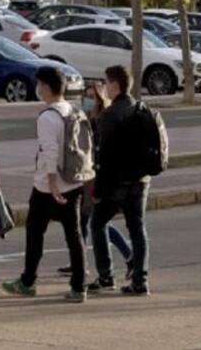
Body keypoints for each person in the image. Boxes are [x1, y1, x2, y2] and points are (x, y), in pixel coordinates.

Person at [1, 66, 88, 302]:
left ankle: (28, 281)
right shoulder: (72, 110)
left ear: (47, 87)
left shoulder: (48, 117)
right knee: (74, 235)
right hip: (74, 181)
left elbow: (50, 150)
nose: (38, 88)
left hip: (48, 186)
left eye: (40, 84)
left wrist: (51, 183)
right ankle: (79, 286)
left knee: (35, 233)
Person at [60, 82, 132, 279]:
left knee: (97, 221)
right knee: (85, 220)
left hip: (96, 177)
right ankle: (79, 262)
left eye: (92, 97)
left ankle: (129, 257)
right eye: (86, 97)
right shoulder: (86, 119)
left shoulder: (102, 121)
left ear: (100, 100)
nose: (88, 101)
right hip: (87, 175)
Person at [88, 66, 149, 295]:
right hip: (141, 180)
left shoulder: (110, 115)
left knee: (97, 223)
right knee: (137, 229)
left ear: (114, 85)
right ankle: (140, 281)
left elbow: (104, 156)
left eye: (106, 82)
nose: (104, 87)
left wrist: (98, 190)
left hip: (117, 182)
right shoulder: (140, 108)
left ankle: (106, 276)